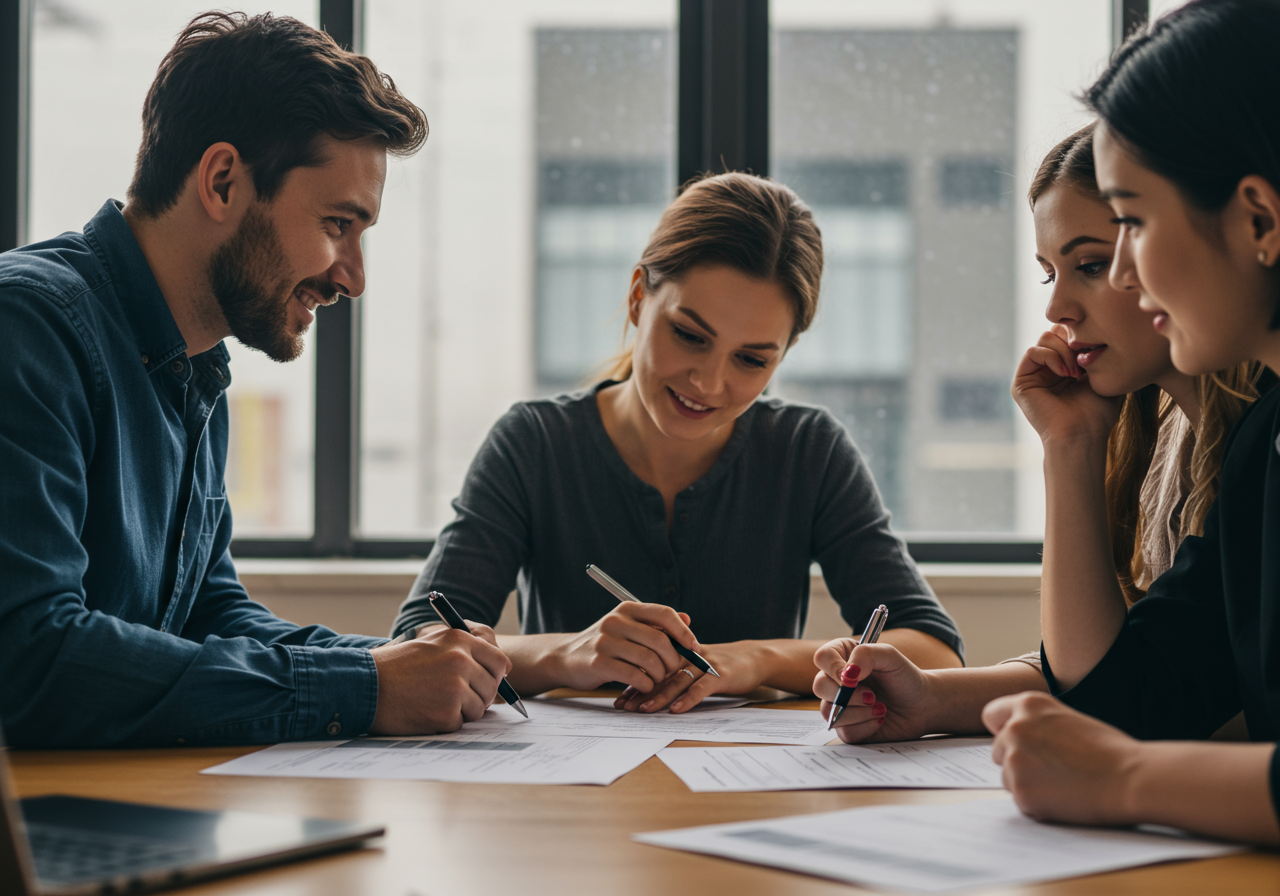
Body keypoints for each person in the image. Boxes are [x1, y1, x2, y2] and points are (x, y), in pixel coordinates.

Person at [0, 12, 511, 748]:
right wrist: (366, 689)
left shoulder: (194, 367)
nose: (354, 279)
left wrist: (397, 664)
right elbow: (31, 656)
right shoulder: (30, 327)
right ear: (222, 181)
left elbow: (208, 612)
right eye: (338, 223)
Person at [393, 172, 964, 713]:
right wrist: (566, 655)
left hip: (746, 785)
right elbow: (420, 643)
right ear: (640, 297)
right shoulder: (534, 442)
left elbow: (935, 652)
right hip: (575, 791)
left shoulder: (807, 450)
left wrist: (754, 660)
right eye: (689, 335)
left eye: (751, 359)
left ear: (784, 354)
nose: (709, 383)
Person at [811, 122, 1266, 745]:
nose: (1057, 310)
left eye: (1092, 264)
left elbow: (1124, 695)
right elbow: (1119, 677)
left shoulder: (1258, 441)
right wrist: (930, 698)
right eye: (1051, 273)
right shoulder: (1169, 442)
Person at [980, 0, 1280, 846]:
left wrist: (1121, 778)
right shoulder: (1266, 445)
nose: (1123, 273)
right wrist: (1071, 446)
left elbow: (1121, 742)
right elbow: (1124, 700)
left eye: (1133, 224)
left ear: (1259, 220)